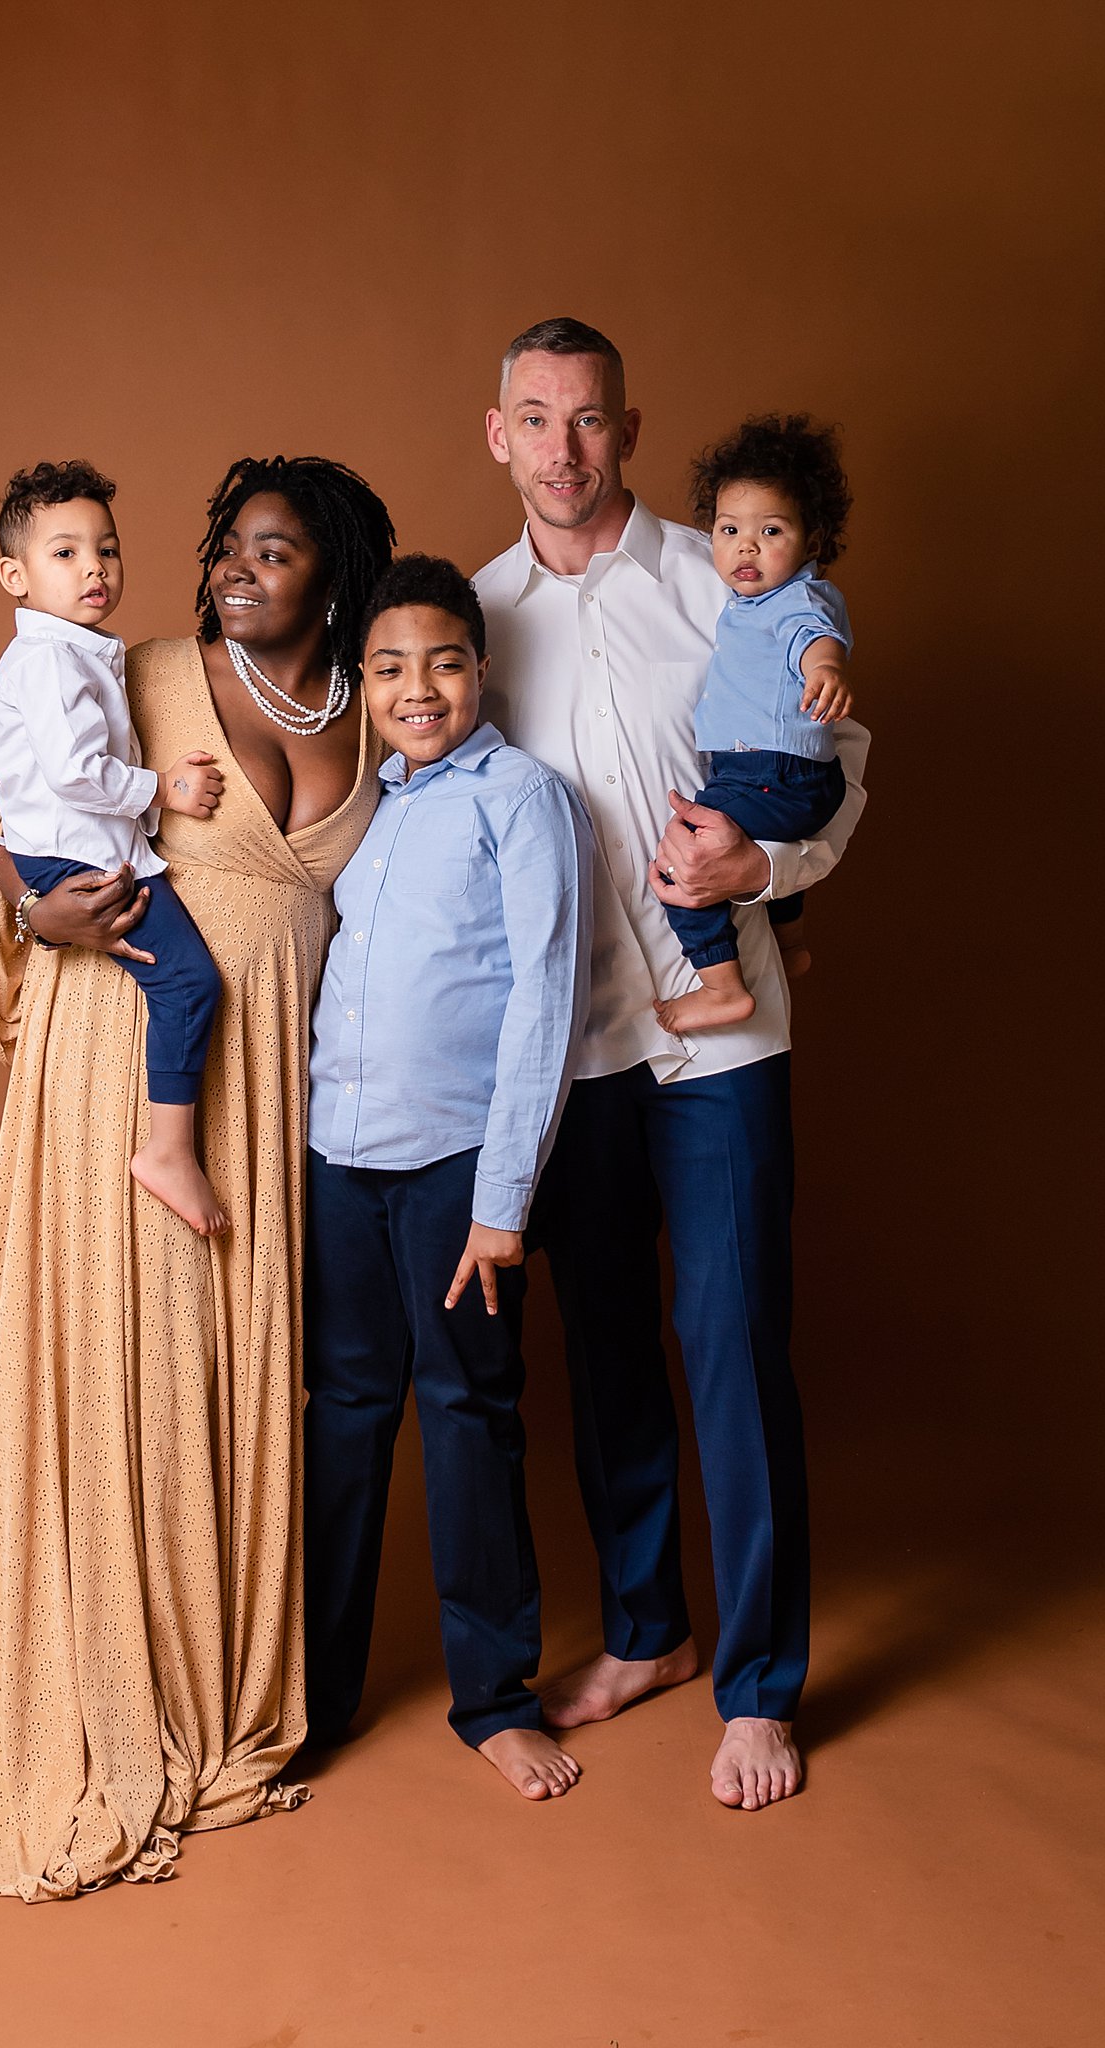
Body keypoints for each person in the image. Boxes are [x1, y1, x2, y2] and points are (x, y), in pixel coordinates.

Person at [0, 455, 396, 1898]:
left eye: (276, 551)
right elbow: (20, 813)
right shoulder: (132, 666)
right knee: (114, 1356)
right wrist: (29, 901)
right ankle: (104, 1683)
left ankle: (209, 1684)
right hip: (121, 1060)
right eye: (226, 548)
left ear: (335, 574)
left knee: (230, 1368)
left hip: (270, 1091)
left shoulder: (382, 710)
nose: (240, 571)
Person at [473, 316, 870, 1812]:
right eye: (535, 418)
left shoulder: (727, 575)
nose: (562, 448)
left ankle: (759, 1687)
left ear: (627, 434)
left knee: (730, 1344)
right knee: (608, 1354)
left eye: (588, 420)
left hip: (722, 1039)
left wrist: (759, 866)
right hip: (568, 1049)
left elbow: (839, 763)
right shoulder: (478, 613)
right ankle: (646, 1631)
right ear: (495, 434)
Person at [302, 555, 593, 1801]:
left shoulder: (520, 797)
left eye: (443, 661)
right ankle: (309, 1691)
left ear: (480, 668)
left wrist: (500, 1199)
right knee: (345, 1414)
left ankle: (493, 1695)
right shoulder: (366, 806)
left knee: (467, 1412)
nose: (417, 687)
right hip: (337, 1159)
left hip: (454, 1167)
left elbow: (546, 993)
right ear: (360, 685)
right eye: (387, 667)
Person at [0, 458, 228, 1234]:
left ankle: (166, 1143)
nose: (93, 568)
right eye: (64, 553)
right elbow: (78, 771)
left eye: (106, 549)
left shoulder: (70, 652)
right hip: (74, 859)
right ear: (14, 575)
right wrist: (162, 791)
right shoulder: (50, 658)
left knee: (176, 984)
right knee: (188, 985)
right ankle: (167, 1151)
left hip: (70, 846)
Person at [653, 415, 856, 1036]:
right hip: (796, 776)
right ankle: (790, 941)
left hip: (771, 771)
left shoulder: (796, 599)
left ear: (811, 537)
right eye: (730, 530)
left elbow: (813, 638)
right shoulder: (750, 603)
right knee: (757, 851)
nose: (746, 546)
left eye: (771, 531)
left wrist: (826, 667)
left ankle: (722, 987)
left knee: (679, 864)